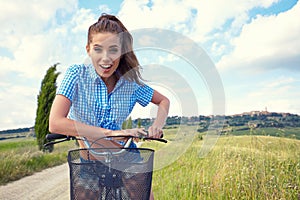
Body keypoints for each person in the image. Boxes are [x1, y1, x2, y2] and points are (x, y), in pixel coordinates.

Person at [49, 13, 170, 200]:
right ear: (88, 49)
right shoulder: (76, 75)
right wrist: (109, 133)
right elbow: (55, 123)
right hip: (89, 161)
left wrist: (157, 126)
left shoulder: (130, 83)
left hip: (127, 157)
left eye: (113, 50)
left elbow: (163, 101)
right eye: (98, 49)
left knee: (145, 197)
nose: (106, 59)